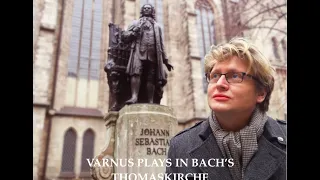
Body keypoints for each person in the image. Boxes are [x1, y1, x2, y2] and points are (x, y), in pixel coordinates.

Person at [165, 37, 286, 180]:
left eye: (234, 76)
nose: (220, 84)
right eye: (215, 75)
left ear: (260, 93)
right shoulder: (180, 146)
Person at [122, 4, 173, 104]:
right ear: (142, 11)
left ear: (152, 11)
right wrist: (133, 33)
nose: (146, 9)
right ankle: (134, 97)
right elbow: (124, 36)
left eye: (148, 8)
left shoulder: (157, 27)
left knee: (151, 77)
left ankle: (150, 100)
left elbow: (161, 45)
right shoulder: (135, 23)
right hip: (138, 52)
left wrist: (166, 61)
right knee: (135, 73)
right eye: (144, 8)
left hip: (153, 55)